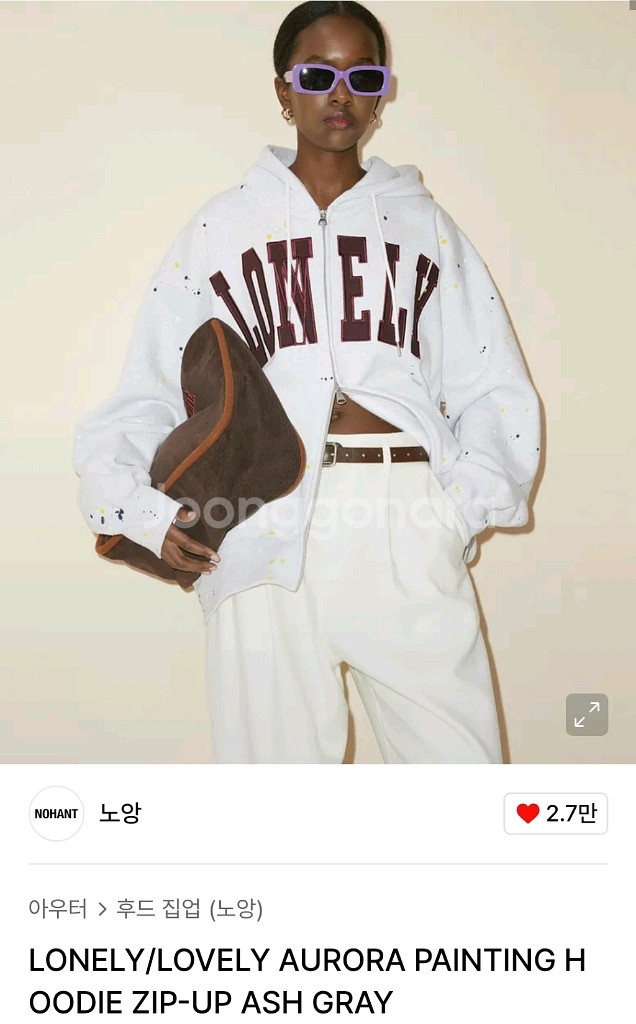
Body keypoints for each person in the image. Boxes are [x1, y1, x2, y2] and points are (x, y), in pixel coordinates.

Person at [72, 1, 541, 765]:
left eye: (364, 76)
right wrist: (141, 512)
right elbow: (151, 385)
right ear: (284, 91)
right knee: (277, 797)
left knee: (461, 779)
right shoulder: (221, 228)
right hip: (260, 520)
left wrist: (453, 514)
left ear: (384, 92)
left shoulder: (426, 228)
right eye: (318, 75)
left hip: (404, 516)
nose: (341, 94)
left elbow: (492, 384)